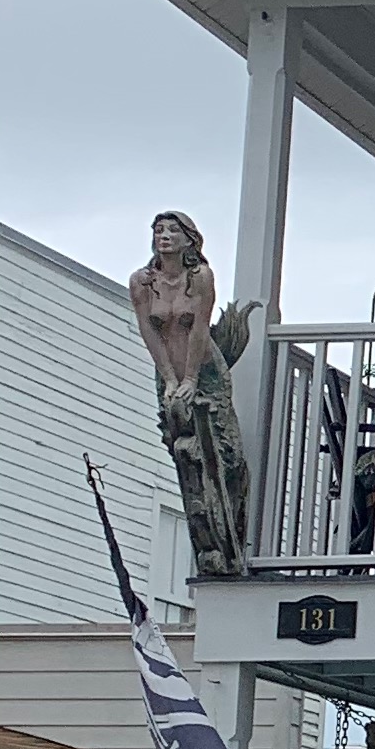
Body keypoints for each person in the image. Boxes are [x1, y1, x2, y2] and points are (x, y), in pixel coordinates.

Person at [130, 210, 256, 575]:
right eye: (159, 229)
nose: (164, 235)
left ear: (189, 239)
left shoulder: (200, 277)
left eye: (173, 230)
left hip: (205, 371)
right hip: (168, 369)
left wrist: (190, 380)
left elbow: (199, 328)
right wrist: (170, 379)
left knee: (224, 450)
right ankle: (203, 523)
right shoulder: (142, 282)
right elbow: (150, 333)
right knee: (182, 443)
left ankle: (232, 523)